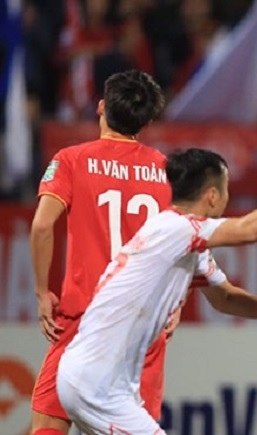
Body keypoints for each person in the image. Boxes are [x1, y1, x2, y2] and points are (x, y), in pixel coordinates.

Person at [55, 148, 257, 434]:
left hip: (100, 380)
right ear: (212, 196)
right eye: (226, 190)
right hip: (98, 385)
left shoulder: (185, 240)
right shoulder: (175, 229)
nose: (228, 197)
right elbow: (250, 230)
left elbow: (224, 298)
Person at [29, 70, 176, 435]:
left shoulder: (72, 160)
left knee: (48, 423)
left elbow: (42, 226)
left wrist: (42, 291)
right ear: (146, 122)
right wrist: (176, 302)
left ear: (100, 107)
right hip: (141, 326)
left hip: (85, 318)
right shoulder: (168, 172)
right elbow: (186, 242)